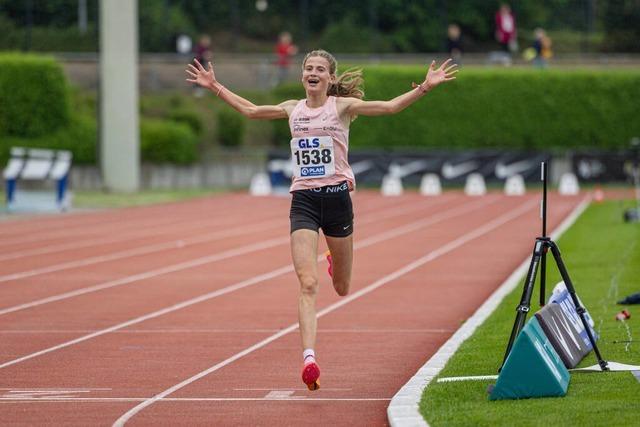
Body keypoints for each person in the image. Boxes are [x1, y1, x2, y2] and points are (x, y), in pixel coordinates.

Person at [185, 50, 457, 391]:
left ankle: (333, 260)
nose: (313, 73)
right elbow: (251, 111)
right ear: (302, 76)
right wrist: (214, 86)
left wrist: (425, 88)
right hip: (304, 201)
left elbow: (388, 107)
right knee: (307, 283)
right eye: (308, 68)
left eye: (319, 69)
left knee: (342, 287)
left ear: (329, 78)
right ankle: (309, 358)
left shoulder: (341, 108)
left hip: (338, 201)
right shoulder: (291, 109)